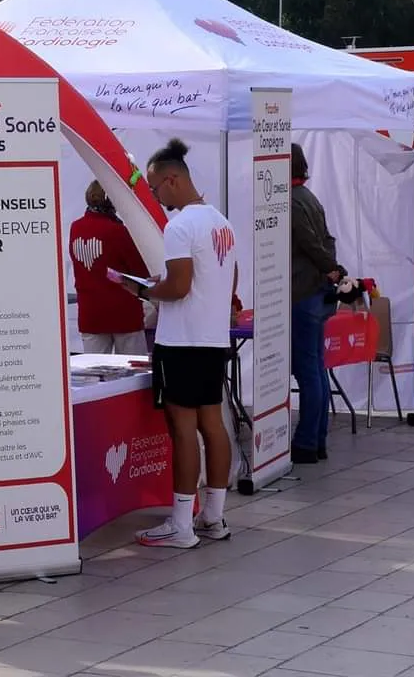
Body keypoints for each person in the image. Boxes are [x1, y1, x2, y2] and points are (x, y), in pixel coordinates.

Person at [129, 138, 239, 549]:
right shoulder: (221, 222)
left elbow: (177, 286)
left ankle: (181, 523)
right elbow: (233, 275)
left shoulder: (179, 227)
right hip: (212, 339)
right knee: (213, 425)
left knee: (183, 429)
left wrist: (143, 291)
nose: (156, 196)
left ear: (172, 180)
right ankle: (214, 515)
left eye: (156, 188)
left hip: (181, 342)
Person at [290, 143, 344, 464]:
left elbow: (311, 245)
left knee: (308, 370)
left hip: (303, 293)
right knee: (317, 369)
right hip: (317, 293)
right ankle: (317, 439)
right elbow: (326, 241)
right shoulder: (310, 198)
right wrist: (332, 270)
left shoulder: (293, 203)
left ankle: (307, 441)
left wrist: (331, 269)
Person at [69, 180, 151, 355]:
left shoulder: (75, 228)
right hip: (123, 312)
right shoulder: (118, 231)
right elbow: (140, 271)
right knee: (133, 375)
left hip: (90, 312)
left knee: (95, 375)